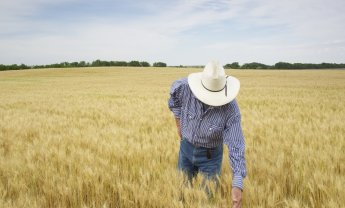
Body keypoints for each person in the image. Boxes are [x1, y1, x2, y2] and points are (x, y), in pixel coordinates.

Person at [168, 61, 247, 208]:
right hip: (185, 149)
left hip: (210, 157)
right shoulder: (184, 87)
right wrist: (178, 124)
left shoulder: (231, 109)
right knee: (181, 195)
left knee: (207, 199)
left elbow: (236, 145)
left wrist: (237, 184)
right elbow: (174, 99)